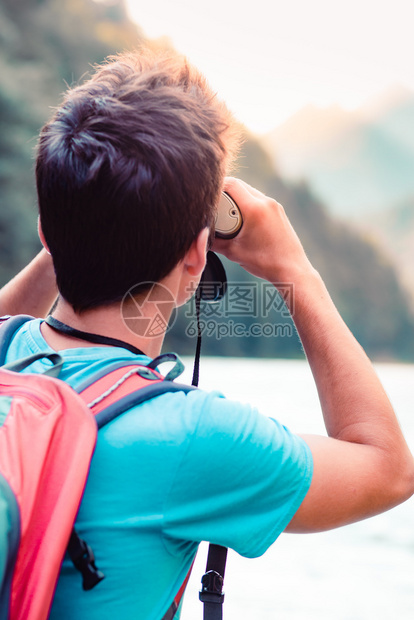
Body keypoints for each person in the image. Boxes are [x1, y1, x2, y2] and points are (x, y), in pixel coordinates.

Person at [1, 48, 413, 620]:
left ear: (46, 230)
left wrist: (77, 227)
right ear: (198, 254)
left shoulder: (7, 353)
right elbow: (388, 469)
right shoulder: (193, 436)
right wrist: (297, 271)